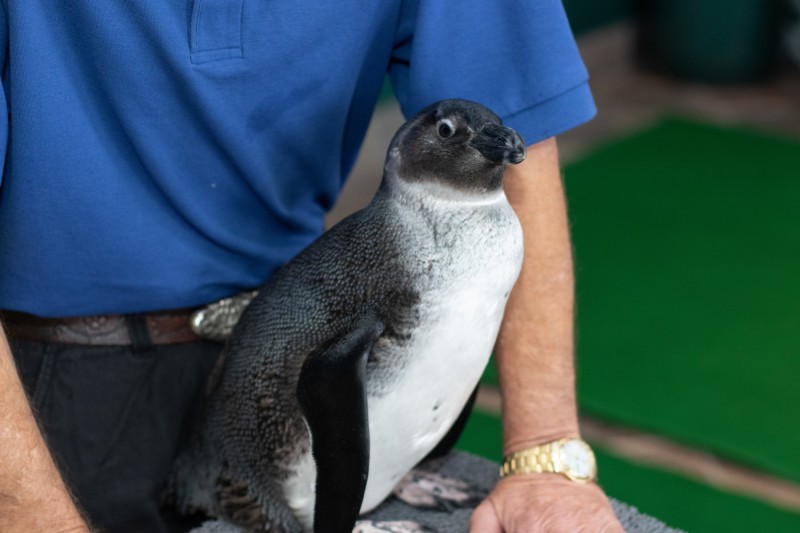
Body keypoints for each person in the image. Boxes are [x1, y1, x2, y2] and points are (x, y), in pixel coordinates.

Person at [0, 1, 623, 532]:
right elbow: (332, 376)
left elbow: (515, 114)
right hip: (39, 391)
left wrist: (543, 453)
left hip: (283, 326)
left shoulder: (465, 227)